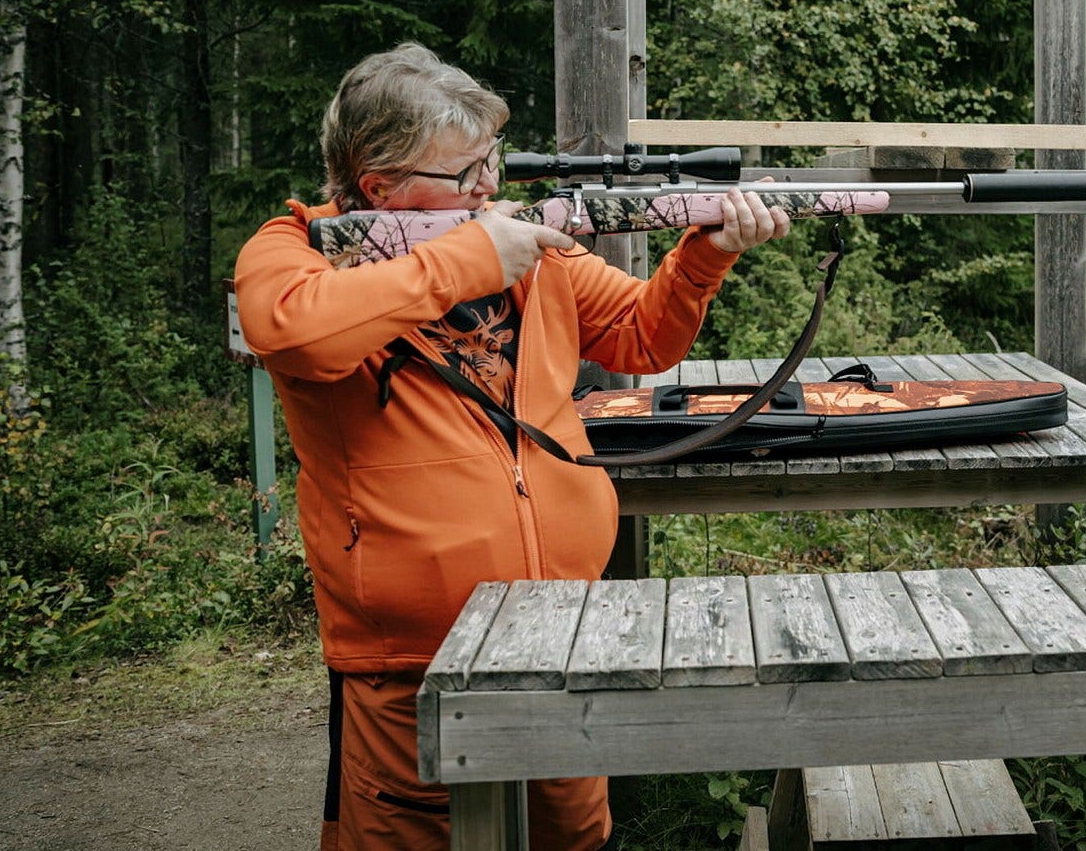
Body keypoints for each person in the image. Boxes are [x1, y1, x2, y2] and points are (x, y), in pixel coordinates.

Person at [233, 42, 789, 851]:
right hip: (412, 662)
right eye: (464, 174)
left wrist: (708, 255)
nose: (489, 187)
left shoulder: (530, 253)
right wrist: (465, 259)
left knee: (571, 836)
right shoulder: (294, 249)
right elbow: (292, 331)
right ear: (378, 185)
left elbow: (642, 334)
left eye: (491, 162)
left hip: (563, 632)